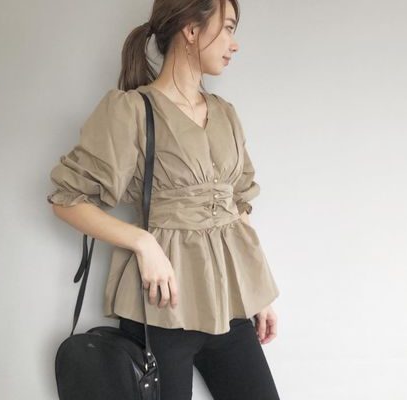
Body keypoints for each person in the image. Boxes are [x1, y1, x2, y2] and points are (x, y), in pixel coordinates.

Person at [47, 0, 281, 398]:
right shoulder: (132, 111)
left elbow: (238, 208)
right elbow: (66, 198)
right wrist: (143, 242)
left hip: (231, 306)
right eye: (227, 27)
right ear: (191, 30)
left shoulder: (225, 114)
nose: (234, 43)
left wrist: (258, 293)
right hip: (160, 309)